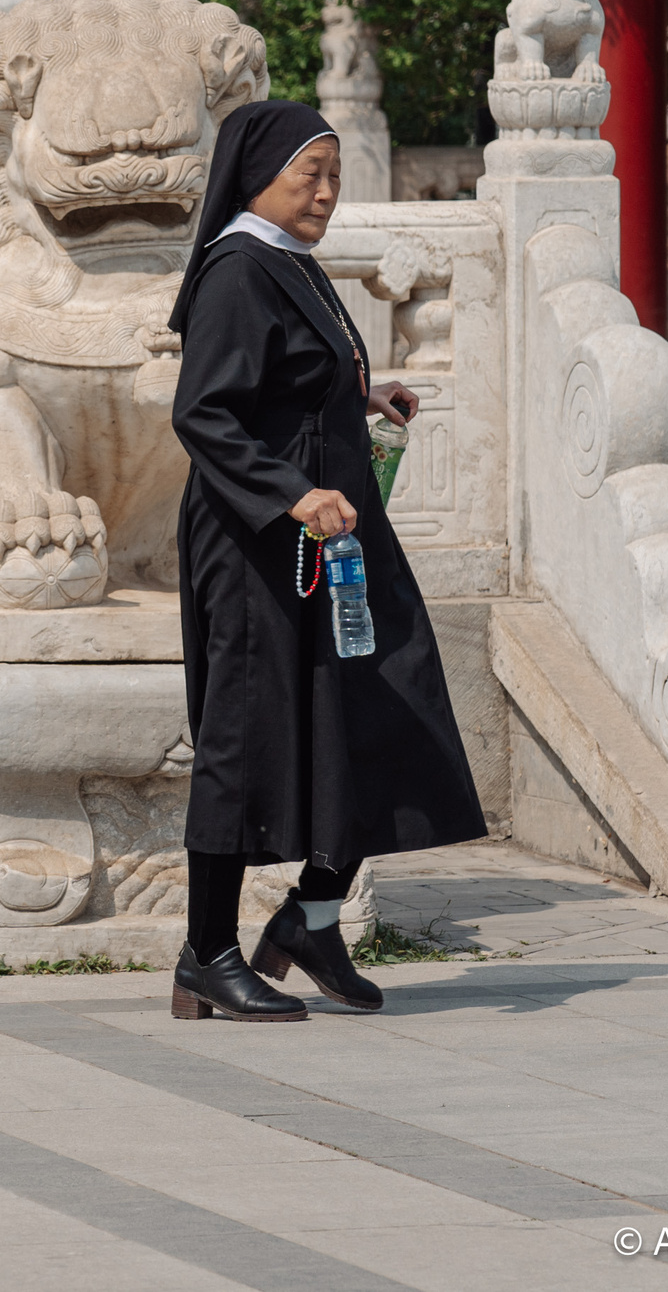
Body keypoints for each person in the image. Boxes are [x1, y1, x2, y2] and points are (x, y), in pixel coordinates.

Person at [165, 99, 487, 1022]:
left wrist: (364, 394)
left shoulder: (286, 263)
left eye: (336, 175)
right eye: (311, 173)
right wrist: (290, 492)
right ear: (258, 173)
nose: (327, 191)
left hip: (336, 535)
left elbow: (293, 380)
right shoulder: (237, 266)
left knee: (384, 706)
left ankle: (310, 918)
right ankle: (208, 954)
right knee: (243, 733)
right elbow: (206, 414)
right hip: (264, 542)